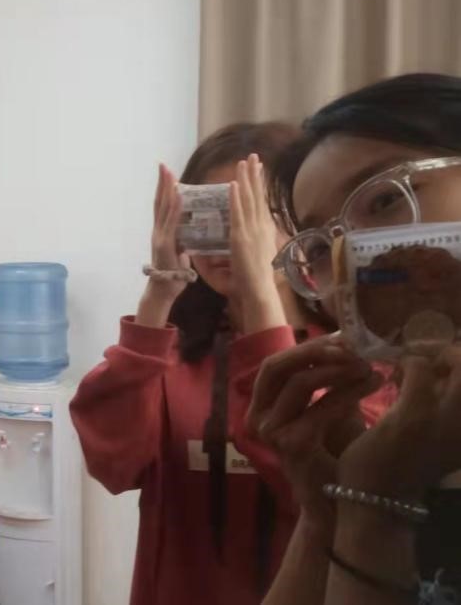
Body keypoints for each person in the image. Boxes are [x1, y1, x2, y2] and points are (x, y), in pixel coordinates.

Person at [69, 122, 367, 605]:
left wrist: (260, 293)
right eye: (207, 213)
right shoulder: (170, 353)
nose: (231, 238)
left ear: (302, 227)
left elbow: (334, 494)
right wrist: (160, 292)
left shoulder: (354, 351)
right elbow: (114, 466)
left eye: (250, 214)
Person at [251, 73, 461, 605]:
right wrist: (327, 514)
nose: (355, 257)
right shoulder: (398, 444)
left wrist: (373, 506)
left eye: (386, 199)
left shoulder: (390, 468)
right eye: (321, 248)